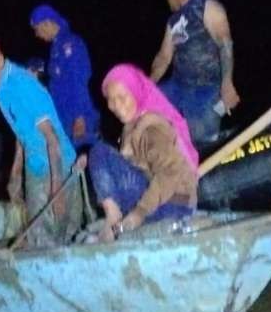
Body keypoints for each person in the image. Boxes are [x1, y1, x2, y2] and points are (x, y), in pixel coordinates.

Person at [0, 32, 82, 246]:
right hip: (36, 164)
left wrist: (57, 189)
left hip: (58, 163)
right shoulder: (0, 89)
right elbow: (21, 134)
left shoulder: (21, 84)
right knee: (38, 232)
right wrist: (15, 174)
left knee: (62, 233)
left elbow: (51, 137)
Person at [84, 64, 199, 242]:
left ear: (136, 92)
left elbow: (171, 172)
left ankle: (113, 219)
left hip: (172, 205)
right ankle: (115, 219)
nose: (116, 105)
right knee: (99, 155)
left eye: (122, 97)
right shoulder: (132, 126)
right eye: (111, 99)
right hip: (161, 202)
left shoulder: (151, 127)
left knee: (99, 152)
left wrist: (140, 212)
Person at [149, 0, 240, 148]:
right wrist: (147, 84)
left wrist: (227, 84)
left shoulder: (208, 6)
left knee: (201, 146)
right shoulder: (173, 21)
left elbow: (225, 45)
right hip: (178, 86)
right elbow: (163, 57)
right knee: (149, 108)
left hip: (206, 92)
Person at [29, 4, 100, 150]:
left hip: (78, 120)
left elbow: (78, 80)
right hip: (65, 120)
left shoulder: (71, 44)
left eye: (37, 29)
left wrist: (79, 117)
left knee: (87, 161)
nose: (36, 35)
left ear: (47, 23)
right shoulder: (56, 48)